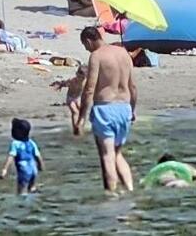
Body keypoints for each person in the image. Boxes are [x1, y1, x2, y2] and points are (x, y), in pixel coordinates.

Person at [76, 26, 137, 193]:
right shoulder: (124, 53)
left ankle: (111, 195)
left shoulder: (96, 56)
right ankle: (130, 190)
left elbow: (89, 88)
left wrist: (81, 118)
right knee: (117, 154)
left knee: (107, 155)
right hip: (124, 107)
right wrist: (133, 109)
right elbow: (132, 86)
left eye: (85, 45)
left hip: (106, 109)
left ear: (88, 41)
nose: (86, 49)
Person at [0, 117, 44, 194]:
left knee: (21, 191)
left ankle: (23, 204)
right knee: (32, 188)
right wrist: (41, 166)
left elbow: (11, 157)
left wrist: (5, 169)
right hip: (33, 168)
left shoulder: (15, 144)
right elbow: (38, 156)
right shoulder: (31, 143)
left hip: (24, 169)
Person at [51, 64, 87, 129]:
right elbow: (64, 84)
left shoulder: (86, 82)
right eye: (79, 77)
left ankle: (81, 125)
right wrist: (59, 85)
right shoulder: (72, 80)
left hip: (79, 98)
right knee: (75, 112)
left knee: (81, 112)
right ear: (76, 74)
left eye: (82, 78)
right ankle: (75, 128)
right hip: (70, 98)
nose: (80, 79)